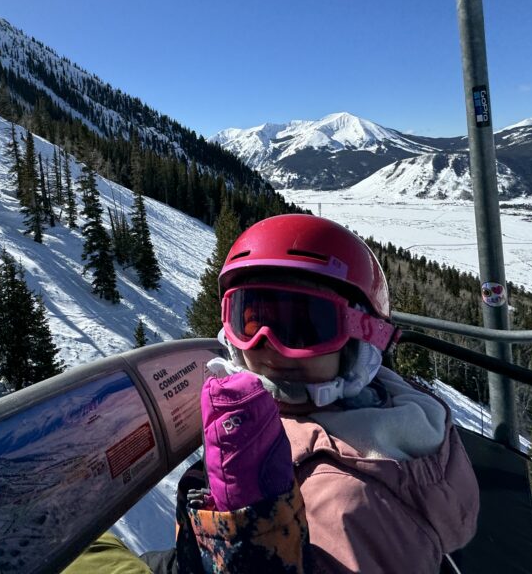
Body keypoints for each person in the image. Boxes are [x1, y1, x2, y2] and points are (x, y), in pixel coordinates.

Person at [172, 214, 480, 574]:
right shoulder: (406, 415)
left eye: (305, 327)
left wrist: (248, 545)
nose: (270, 348)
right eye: (252, 321)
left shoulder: (342, 504)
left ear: (361, 339)